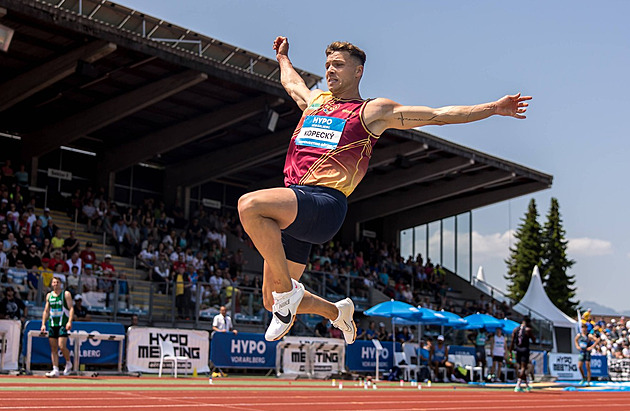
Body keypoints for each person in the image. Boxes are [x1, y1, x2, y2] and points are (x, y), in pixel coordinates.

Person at [237, 36, 530, 344]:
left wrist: (494, 107)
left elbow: (437, 116)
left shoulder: (371, 111)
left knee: (250, 205)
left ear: (358, 71)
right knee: (271, 301)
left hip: (324, 204)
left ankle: (288, 296)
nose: (330, 71)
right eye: (327, 66)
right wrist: (283, 58)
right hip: (294, 208)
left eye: (338, 65)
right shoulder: (316, 102)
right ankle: (337, 312)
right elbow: (292, 82)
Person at [41, 276, 74, 377]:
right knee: (53, 348)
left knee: (62, 346)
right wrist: (43, 324)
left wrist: (69, 321)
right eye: (54, 282)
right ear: (51, 284)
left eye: (57, 282)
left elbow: (71, 308)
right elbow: (46, 311)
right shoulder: (49, 296)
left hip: (62, 324)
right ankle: (55, 369)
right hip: (52, 324)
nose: (55, 284)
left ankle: (68, 362)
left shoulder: (66, 294)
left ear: (61, 284)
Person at [510, 316, 536, 392]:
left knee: (520, 367)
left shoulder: (515, 330)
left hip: (517, 349)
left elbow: (512, 341)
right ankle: (518, 385)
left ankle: (527, 385)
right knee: (524, 367)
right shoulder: (528, 330)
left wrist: (510, 351)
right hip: (525, 349)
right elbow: (534, 340)